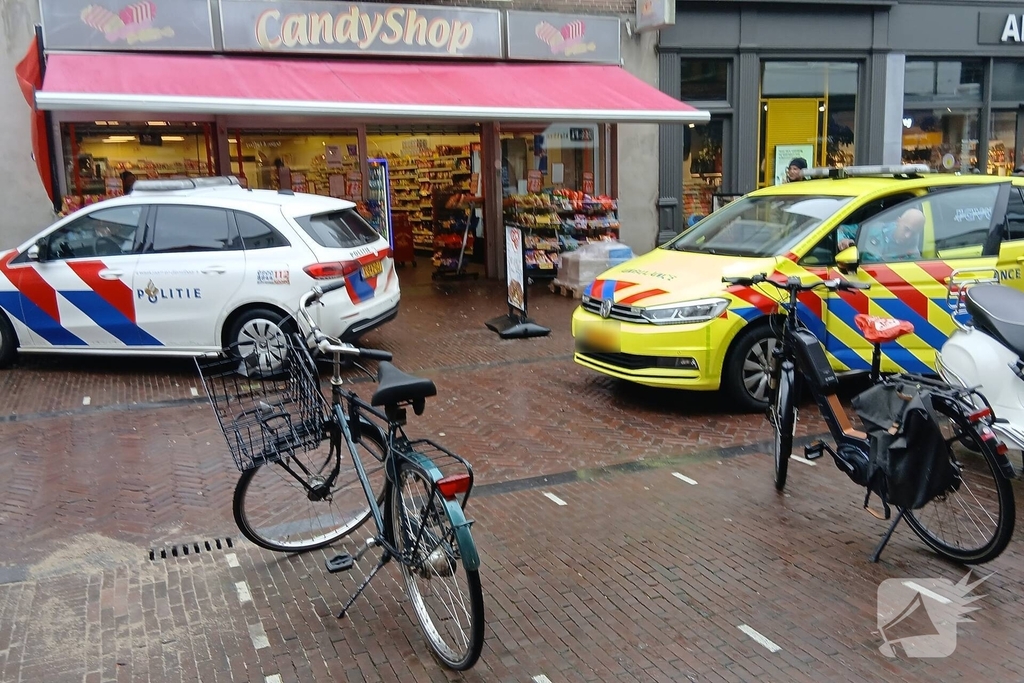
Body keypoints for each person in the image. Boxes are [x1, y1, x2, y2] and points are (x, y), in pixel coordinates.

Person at [838, 207, 926, 262]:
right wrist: (842, 240)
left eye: (913, 233)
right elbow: (839, 229)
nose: (908, 236)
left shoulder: (912, 257)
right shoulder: (874, 228)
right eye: (906, 229)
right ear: (898, 221)